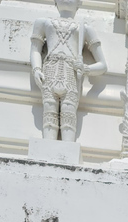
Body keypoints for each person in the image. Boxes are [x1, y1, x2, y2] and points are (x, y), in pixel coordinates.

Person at [30, 0, 107, 142]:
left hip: (71, 73)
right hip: (50, 71)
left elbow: (102, 65)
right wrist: (36, 69)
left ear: (79, 3)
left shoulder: (85, 28)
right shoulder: (43, 23)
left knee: (68, 114)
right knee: (49, 111)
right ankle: (47, 147)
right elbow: (35, 49)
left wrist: (86, 68)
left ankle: (67, 150)